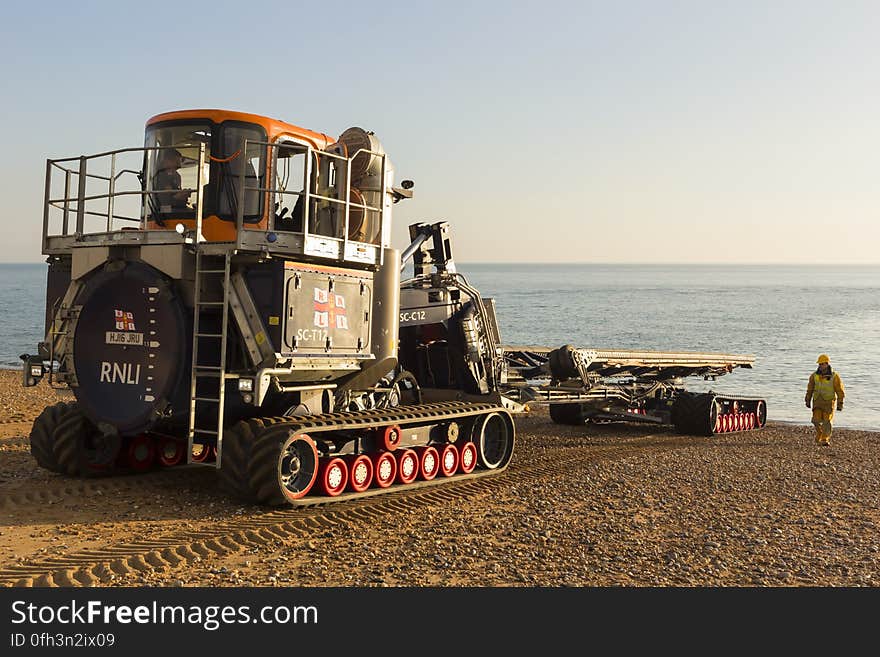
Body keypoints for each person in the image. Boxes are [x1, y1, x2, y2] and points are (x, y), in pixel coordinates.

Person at [805, 354, 845, 446]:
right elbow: (810, 388)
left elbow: (839, 390)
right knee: (815, 420)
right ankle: (819, 432)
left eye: (822, 364)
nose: (821, 366)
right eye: (819, 364)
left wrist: (840, 403)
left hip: (828, 402)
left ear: (827, 364)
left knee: (827, 421)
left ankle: (824, 439)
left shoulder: (835, 376)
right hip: (817, 401)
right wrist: (807, 399)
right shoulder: (814, 376)